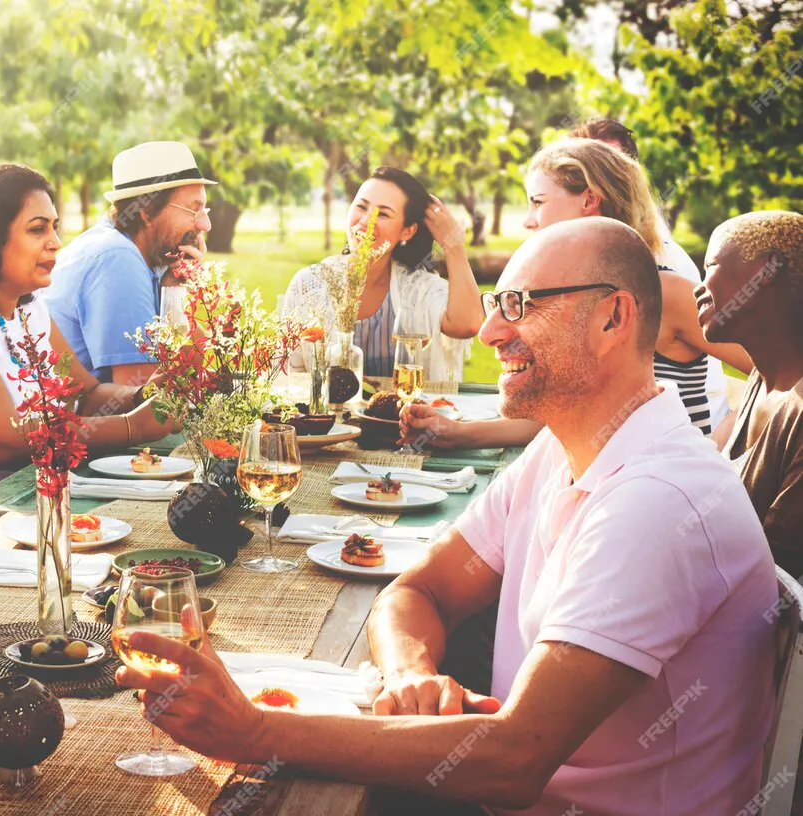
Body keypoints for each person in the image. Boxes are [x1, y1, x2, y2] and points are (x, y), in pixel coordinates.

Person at [117, 218, 778, 815]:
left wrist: (256, 733)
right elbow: (419, 590)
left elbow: (513, 760)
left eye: (519, 305)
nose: (490, 332)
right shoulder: (564, 446)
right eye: (498, 305)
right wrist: (411, 677)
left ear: (613, 318)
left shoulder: (658, 501)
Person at [402, 138, 753, 448]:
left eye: (538, 202)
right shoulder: (568, 294)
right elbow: (557, 412)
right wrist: (457, 433)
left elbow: (781, 373)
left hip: (662, 491)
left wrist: (718, 447)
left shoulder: (665, 292)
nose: (528, 220)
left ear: (589, 200)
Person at [0, 163, 174, 492]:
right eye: (37, 229)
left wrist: (142, 396)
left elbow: (86, 396)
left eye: (54, 228)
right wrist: (130, 428)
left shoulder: (28, 305)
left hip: (41, 489)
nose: (55, 243)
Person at [571, 116, 737, 427]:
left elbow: (773, 371)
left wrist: (724, 437)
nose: (604, 174)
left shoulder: (664, 272)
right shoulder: (578, 274)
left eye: (612, 164)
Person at [280, 167, 484, 383]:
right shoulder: (310, 284)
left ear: (407, 231)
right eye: (361, 206)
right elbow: (288, 375)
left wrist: (453, 246)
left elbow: (468, 324)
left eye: (384, 214)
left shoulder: (417, 289)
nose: (366, 221)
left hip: (401, 416)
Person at [42, 141, 213, 384]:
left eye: (204, 210)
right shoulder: (116, 258)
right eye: (192, 211)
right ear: (146, 213)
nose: (205, 225)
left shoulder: (151, 257)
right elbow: (144, 397)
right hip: (94, 417)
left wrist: (174, 293)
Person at [701, 210, 803, 577]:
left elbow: (774, 572)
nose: (699, 289)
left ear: (767, 272)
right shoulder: (763, 380)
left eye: (710, 265)